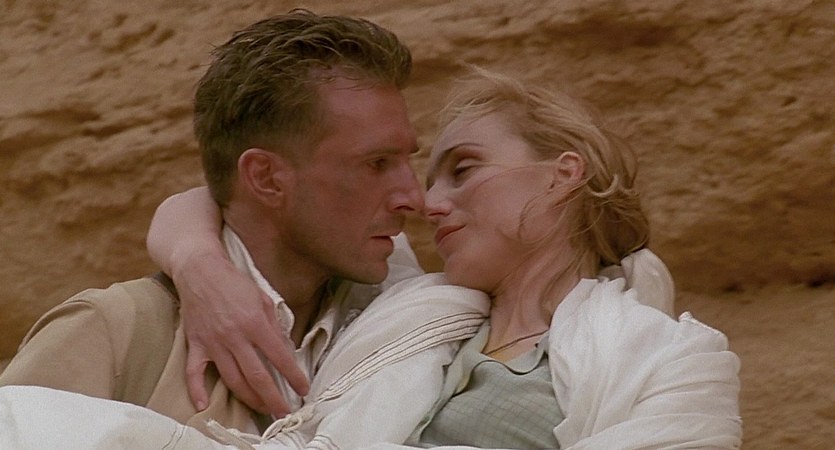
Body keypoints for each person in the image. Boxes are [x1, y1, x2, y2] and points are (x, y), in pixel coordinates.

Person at [139, 67, 744, 448]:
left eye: (464, 170)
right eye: (431, 182)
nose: (429, 205)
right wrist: (202, 268)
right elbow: (216, 200)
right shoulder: (398, 303)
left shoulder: (675, 359)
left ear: (563, 176)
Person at [0, 10, 491, 444]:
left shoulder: (414, 319)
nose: (413, 198)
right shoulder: (113, 332)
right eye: (376, 164)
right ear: (266, 177)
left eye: (406, 160)